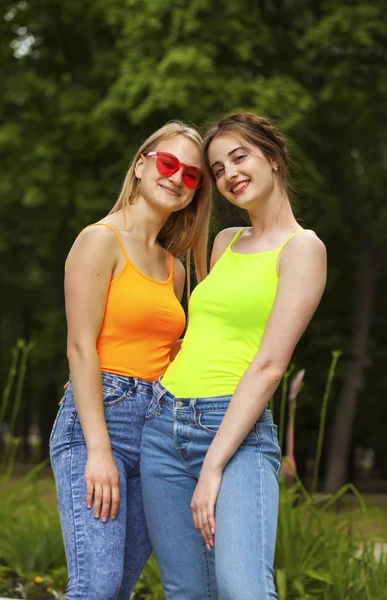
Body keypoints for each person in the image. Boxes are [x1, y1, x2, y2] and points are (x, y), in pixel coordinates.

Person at [140, 112, 327, 600]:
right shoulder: (225, 242)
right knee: (187, 591)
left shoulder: (303, 249)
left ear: (273, 156)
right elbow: (199, 335)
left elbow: (268, 366)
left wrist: (213, 466)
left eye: (238, 157)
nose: (228, 175)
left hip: (236, 434)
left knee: (242, 587)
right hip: (164, 424)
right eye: (218, 170)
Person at [49, 121, 211, 600]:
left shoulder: (174, 269)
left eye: (191, 174)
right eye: (167, 163)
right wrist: (98, 450)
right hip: (101, 423)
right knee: (95, 586)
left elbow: (168, 353)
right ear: (141, 165)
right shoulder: (99, 240)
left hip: (159, 432)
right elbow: (80, 347)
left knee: (119, 588)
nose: (177, 177)